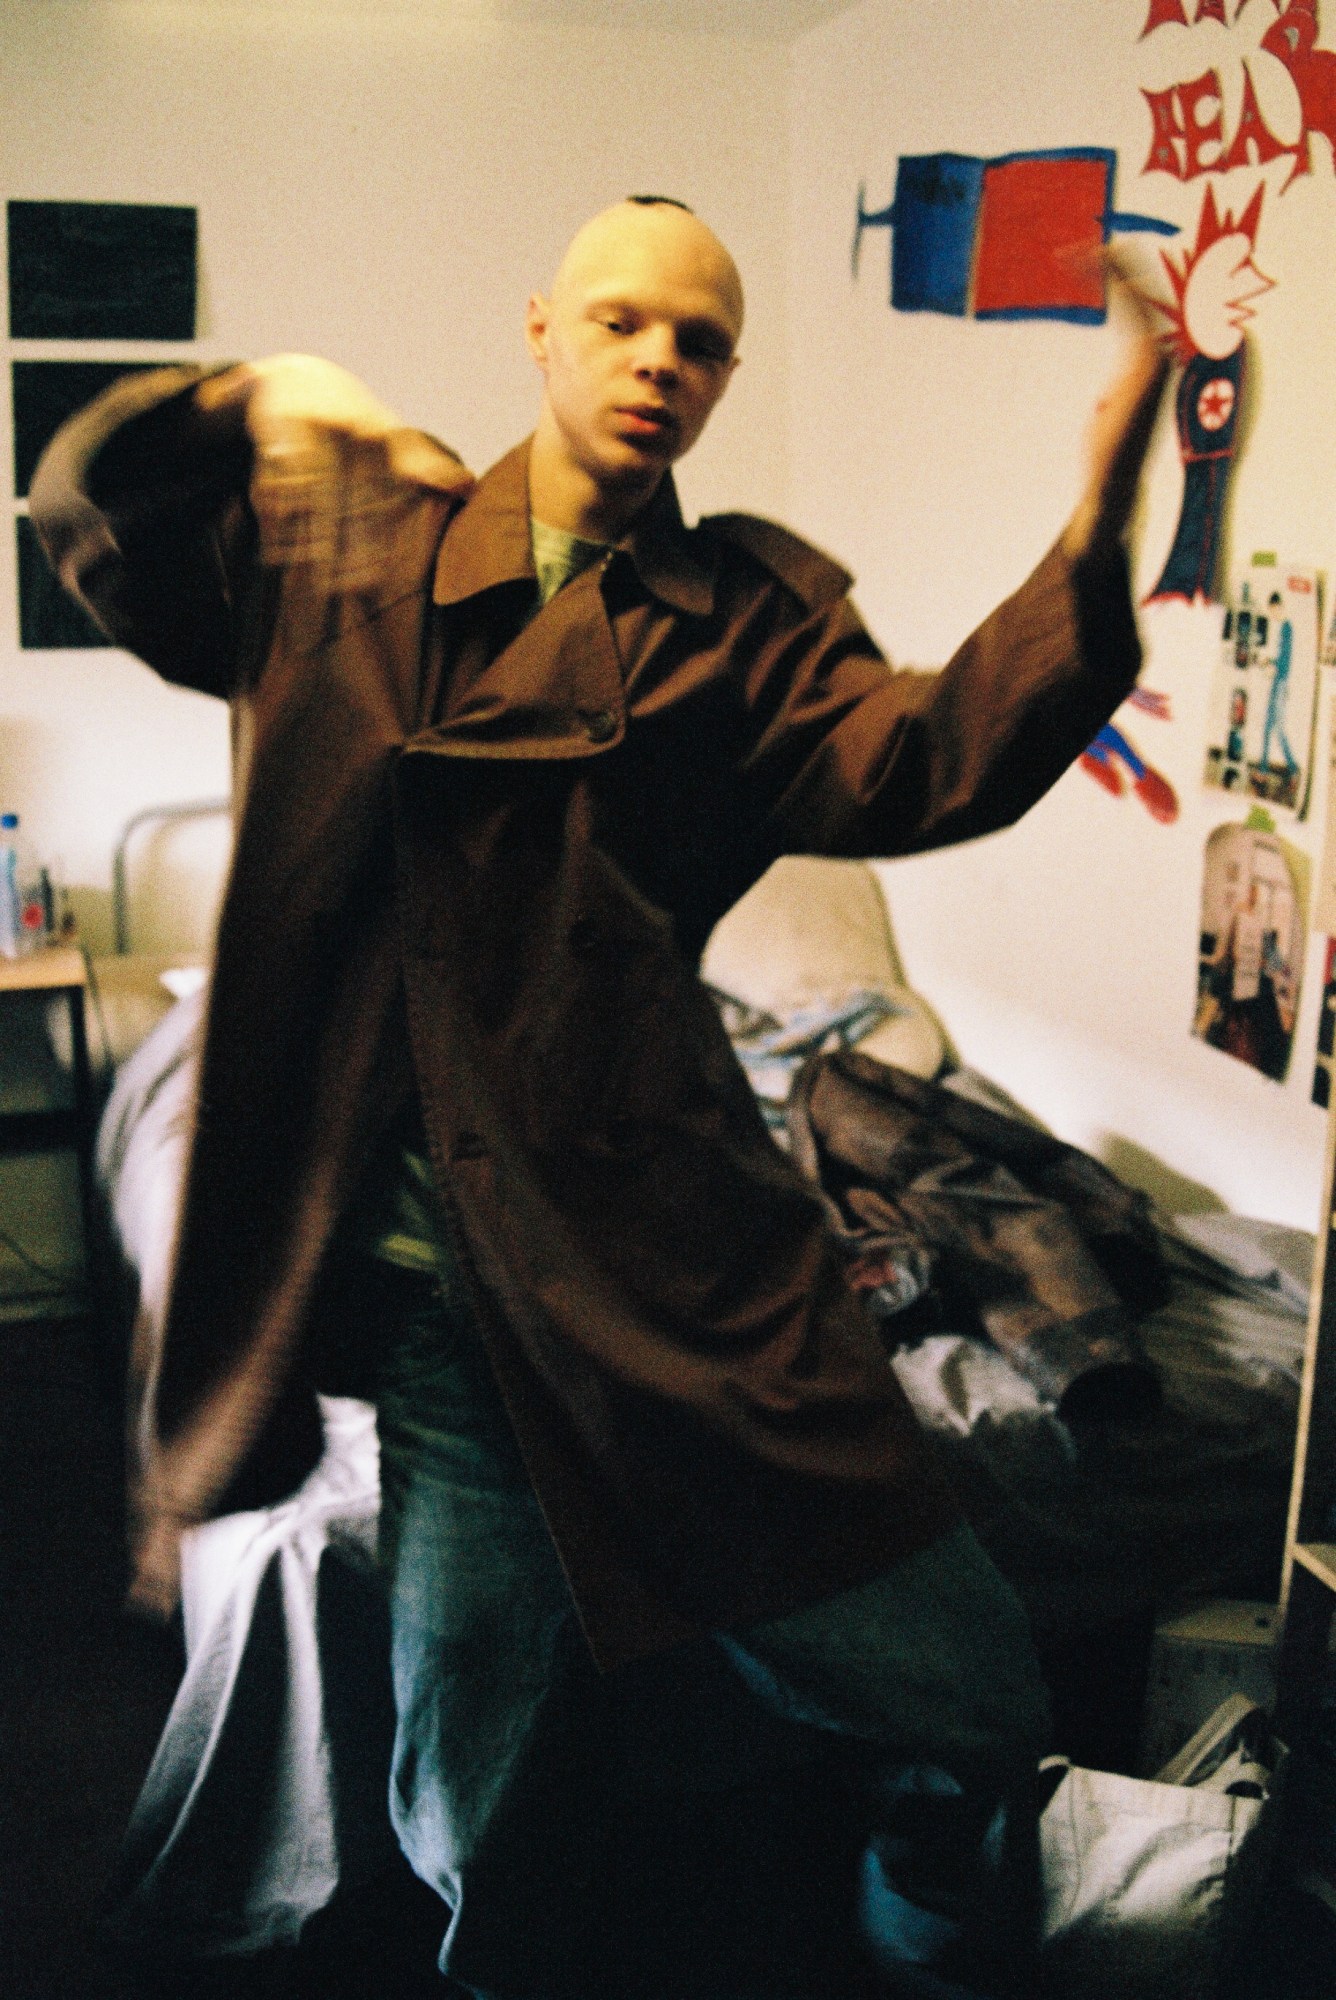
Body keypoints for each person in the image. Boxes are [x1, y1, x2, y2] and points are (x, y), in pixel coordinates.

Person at [32, 197, 1168, 1998]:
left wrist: (1110, 506)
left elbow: (930, 758)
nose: (661, 362)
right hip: (447, 1309)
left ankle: (919, 1932)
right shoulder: (339, 549)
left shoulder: (751, 622)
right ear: (543, 328)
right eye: (627, 321)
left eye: (702, 341)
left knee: (967, 1693)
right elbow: (88, 522)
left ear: (723, 384)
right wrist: (251, 394)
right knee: (479, 1788)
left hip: (670, 1257)